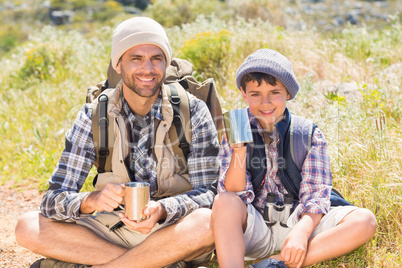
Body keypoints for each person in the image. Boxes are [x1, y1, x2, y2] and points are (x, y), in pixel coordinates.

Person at [15, 17, 220, 268]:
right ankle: (156, 263)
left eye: (157, 58)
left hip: (173, 230)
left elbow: (210, 193)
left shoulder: (193, 110)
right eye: (136, 58)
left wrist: (164, 209)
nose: (148, 68)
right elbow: (52, 199)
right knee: (27, 226)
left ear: (165, 64)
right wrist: (90, 201)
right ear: (119, 65)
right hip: (113, 231)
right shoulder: (93, 114)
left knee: (208, 222)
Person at [211, 48, 377, 268]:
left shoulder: (307, 132)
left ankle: (275, 264)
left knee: (364, 221)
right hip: (256, 226)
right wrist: (239, 150)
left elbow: (316, 195)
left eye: (274, 92)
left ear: (287, 93)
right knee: (223, 201)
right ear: (243, 93)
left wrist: (301, 231)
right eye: (255, 94)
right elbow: (233, 191)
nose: (265, 102)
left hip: (299, 222)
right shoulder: (236, 126)